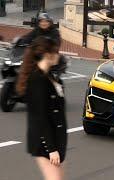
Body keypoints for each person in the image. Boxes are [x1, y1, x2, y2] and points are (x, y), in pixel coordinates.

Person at [16, 36, 67, 180]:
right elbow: (41, 116)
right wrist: (51, 149)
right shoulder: (37, 80)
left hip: (56, 141)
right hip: (44, 142)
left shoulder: (49, 76)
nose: (58, 54)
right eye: (56, 51)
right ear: (47, 54)